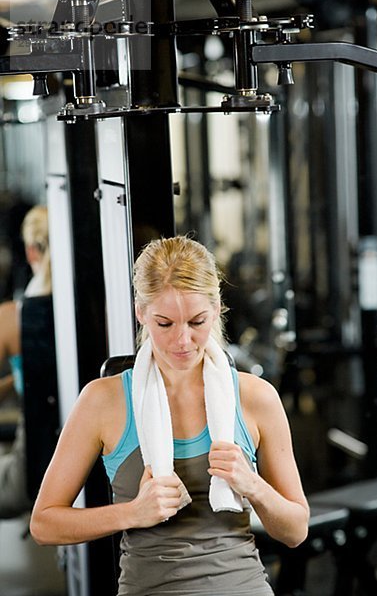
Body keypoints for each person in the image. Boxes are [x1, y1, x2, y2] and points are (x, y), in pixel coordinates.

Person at [30, 235, 309, 595]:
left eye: (197, 322)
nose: (182, 341)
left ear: (217, 308)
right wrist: (133, 512)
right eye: (165, 324)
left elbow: (296, 530)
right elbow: (44, 523)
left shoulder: (256, 398)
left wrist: (253, 485)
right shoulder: (103, 401)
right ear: (141, 313)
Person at [0, 204, 51, 518]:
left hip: (30, 472)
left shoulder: (12, 319)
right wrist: (14, 381)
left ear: (32, 251)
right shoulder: (98, 314)